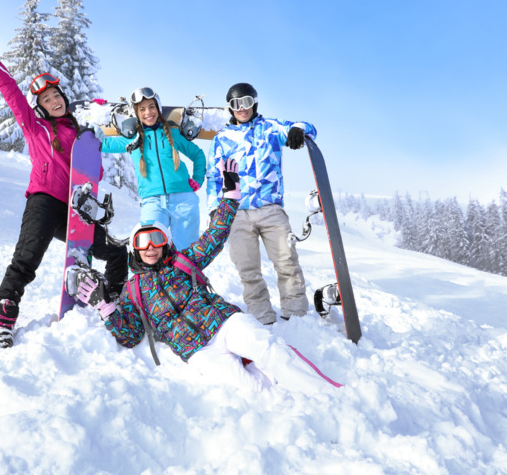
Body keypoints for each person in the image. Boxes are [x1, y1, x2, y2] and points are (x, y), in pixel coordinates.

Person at [76, 159, 340, 394]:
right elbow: (131, 335)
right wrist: (107, 310)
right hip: (197, 351)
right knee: (252, 391)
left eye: (156, 239)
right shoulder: (133, 291)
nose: (150, 247)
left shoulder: (182, 262)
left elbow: (214, 236)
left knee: (268, 349)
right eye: (142, 242)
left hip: (224, 323)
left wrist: (230, 199)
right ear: (135, 249)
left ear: (166, 242)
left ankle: (324, 392)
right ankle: (283, 398)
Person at [0, 28, 128, 349]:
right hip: (44, 202)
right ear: (41, 108)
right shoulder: (36, 128)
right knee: (26, 258)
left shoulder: (82, 135)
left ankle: (113, 299)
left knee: (116, 252)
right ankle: (1, 321)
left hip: (75, 210)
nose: (54, 101)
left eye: (56, 95)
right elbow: (12, 94)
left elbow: (94, 172)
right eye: (46, 99)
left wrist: (101, 142)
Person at [205, 83, 317, 326]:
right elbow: (213, 177)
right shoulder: (222, 139)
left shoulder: (270, 128)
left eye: (246, 102)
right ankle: (262, 319)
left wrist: (297, 130)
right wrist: (215, 209)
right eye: (235, 104)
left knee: (287, 262)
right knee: (247, 269)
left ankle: (296, 317)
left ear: (254, 103)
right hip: (236, 212)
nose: (241, 108)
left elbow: (309, 128)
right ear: (230, 108)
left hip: (270, 208)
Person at [99, 87, 206, 248]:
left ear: (158, 108)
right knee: (151, 247)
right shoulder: (132, 139)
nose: (148, 112)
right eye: (142, 109)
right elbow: (104, 144)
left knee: (188, 251)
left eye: (151, 107)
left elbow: (198, 155)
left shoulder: (172, 134)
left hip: (183, 199)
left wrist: (197, 179)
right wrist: (95, 123)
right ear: (136, 113)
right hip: (152, 201)